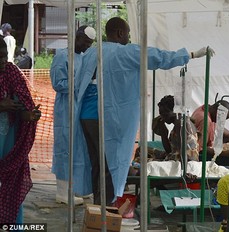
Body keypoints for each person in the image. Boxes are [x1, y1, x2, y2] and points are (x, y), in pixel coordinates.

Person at [76, 16, 215, 206]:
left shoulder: (93, 52)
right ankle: (107, 208)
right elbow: (158, 57)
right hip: (108, 117)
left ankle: (99, 204)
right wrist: (191, 55)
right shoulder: (126, 53)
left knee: (97, 162)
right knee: (111, 164)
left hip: (86, 114)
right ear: (120, 33)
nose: (129, 38)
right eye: (128, 34)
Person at [50, 25, 96, 205]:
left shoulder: (85, 57)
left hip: (82, 108)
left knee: (82, 150)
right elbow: (58, 83)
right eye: (85, 42)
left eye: (90, 44)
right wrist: (80, 83)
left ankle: (80, 189)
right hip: (66, 109)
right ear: (77, 38)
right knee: (66, 148)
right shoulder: (62, 56)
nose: (87, 47)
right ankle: (63, 192)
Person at [0, 37, 41, 223]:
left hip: (9, 136)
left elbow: (23, 105)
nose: (2, 62)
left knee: (13, 181)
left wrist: (29, 115)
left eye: (4, 57)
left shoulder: (11, 72)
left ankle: (13, 225)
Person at [191, 100, 229, 166]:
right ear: (217, 111)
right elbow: (201, 148)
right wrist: (224, 153)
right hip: (202, 155)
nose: (221, 121)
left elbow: (219, 127)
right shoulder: (205, 121)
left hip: (210, 147)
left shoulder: (205, 109)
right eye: (222, 118)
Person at [152, 95, 199, 161]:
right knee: (142, 150)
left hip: (184, 162)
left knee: (144, 163)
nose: (162, 117)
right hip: (177, 158)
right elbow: (169, 151)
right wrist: (163, 132)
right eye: (161, 114)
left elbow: (183, 153)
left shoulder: (180, 123)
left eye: (165, 114)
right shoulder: (179, 121)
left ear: (174, 111)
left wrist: (184, 170)